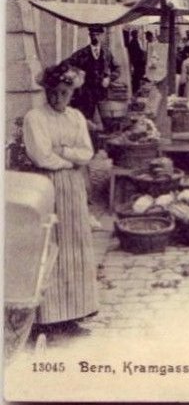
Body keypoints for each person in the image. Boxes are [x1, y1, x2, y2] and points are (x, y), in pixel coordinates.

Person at [23, 63, 98, 339]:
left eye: (64, 93)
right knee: (51, 246)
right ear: (45, 91)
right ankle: (49, 319)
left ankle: (74, 314)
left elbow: (87, 153)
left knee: (74, 247)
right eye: (52, 93)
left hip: (73, 187)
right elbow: (41, 156)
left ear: (72, 93)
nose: (57, 99)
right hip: (47, 186)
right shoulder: (35, 118)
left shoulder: (76, 117)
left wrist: (63, 151)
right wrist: (68, 157)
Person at [67, 25, 120, 122]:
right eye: (92, 34)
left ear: (101, 36)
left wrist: (109, 78)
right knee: (86, 119)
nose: (94, 37)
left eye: (97, 34)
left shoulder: (107, 53)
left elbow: (117, 68)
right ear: (89, 35)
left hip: (102, 91)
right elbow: (68, 65)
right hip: (86, 92)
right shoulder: (82, 53)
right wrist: (78, 76)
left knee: (106, 120)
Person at [127, 29, 146, 94]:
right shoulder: (133, 42)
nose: (137, 35)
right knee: (137, 76)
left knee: (137, 75)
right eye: (136, 34)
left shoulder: (134, 42)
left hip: (137, 61)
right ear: (134, 35)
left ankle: (136, 88)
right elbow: (135, 53)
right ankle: (135, 89)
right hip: (137, 62)